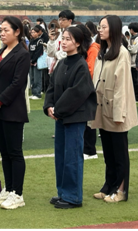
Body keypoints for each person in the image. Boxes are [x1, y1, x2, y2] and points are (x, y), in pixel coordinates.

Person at [43, 26, 97, 209]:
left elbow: (77, 93)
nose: (64, 42)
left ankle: (73, 196)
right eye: (63, 38)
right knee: (61, 156)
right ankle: (63, 192)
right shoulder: (62, 63)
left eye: (68, 39)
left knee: (72, 157)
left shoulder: (81, 65)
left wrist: (57, 109)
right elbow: (52, 86)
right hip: (61, 116)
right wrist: (49, 106)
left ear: (78, 43)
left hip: (75, 117)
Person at [90, 15, 138, 203]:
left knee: (119, 153)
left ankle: (121, 190)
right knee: (108, 152)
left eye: (104, 27)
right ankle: (109, 185)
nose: (100, 30)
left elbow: (121, 87)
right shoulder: (103, 51)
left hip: (115, 109)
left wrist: (119, 113)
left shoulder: (122, 53)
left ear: (114, 29)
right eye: (99, 27)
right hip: (102, 107)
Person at [0, 16, 30, 210]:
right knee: (4, 152)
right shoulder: (1, 51)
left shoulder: (22, 54)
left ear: (17, 31)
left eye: (6, 30)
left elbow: (17, 83)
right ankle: (9, 188)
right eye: (1, 30)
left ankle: (17, 194)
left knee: (14, 152)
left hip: (12, 109)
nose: (2, 33)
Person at [74, 24, 100, 161]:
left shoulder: (93, 49)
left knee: (89, 121)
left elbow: (90, 70)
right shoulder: (88, 48)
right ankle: (86, 149)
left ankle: (90, 150)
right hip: (84, 88)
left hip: (89, 89)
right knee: (85, 120)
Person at [128, 22, 138, 104]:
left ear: (131, 29)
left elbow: (133, 50)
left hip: (135, 63)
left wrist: (129, 48)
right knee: (134, 81)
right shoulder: (132, 38)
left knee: (136, 81)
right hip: (132, 63)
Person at [29, 26, 45, 100]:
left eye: (34, 32)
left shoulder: (40, 41)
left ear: (38, 33)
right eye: (32, 32)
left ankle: (38, 93)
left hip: (37, 62)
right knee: (32, 78)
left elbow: (38, 52)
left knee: (37, 78)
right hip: (31, 62)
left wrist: (33, 60)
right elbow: (29, 51)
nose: (33, 34)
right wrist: (29, 60)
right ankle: (33, 93)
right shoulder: (31, 41)